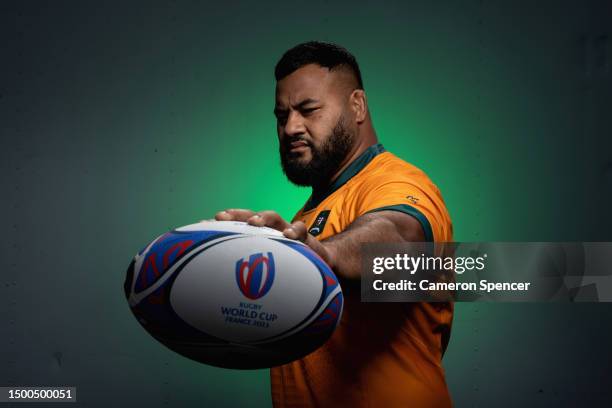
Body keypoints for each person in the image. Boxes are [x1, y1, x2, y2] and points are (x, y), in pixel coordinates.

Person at [215, 41, 454, 408]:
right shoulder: (304, 219)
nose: (291, 127)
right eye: (282, 116)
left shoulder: (397, 182)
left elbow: (398, 236)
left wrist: (324, 254)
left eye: (308, 110)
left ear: (357, 105)